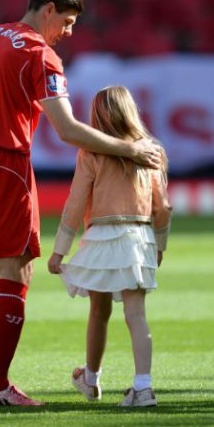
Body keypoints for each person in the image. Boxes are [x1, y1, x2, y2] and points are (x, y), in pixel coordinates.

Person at [0, 0, 163, 408]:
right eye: (69, 21)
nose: (69, 33)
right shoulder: (40, 56)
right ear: (49, 9)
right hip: (5, 161)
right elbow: (68, 130)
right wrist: (129, 148)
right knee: (18, 270)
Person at [47, 85, 172, 407]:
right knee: (136, 314)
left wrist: (60, 249)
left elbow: (75, 204)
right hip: (139, 236)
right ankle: (142, 386)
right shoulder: (152, 150)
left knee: (98, 312)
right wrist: (160, 244)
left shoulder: (91, 152)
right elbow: (162, 206)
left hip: (102, 235)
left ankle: (91, 378)